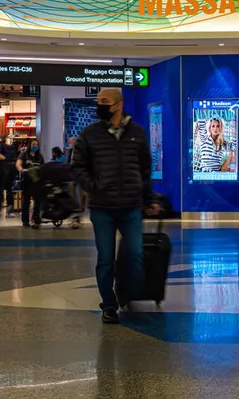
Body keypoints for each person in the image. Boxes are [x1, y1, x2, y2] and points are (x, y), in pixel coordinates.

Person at [71, 88, 161, 324]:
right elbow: (78, 165)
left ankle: (127, 293)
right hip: (102, 207)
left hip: (131, 206)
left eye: (105, 101)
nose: (100, 105)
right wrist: (93, 186)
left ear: (119, 105)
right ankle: (109, 305)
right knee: (105, 258)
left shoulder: (137, 133)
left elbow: (144, 169)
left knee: (134, 254)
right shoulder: (90, 134)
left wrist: (149, 198)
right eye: (98, 101)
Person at [17, 140, 46, 229]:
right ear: (30, 145)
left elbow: (43, 167)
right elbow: (18, 164)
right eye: (33, 144)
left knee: (37, 202)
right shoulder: (24, 154)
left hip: (37, 181)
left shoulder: (40, 156)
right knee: (26, 202)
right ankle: (25, 221)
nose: (35, 146)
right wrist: (21, 169)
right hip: (27, 181)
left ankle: (35, 218)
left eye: (36, 144)